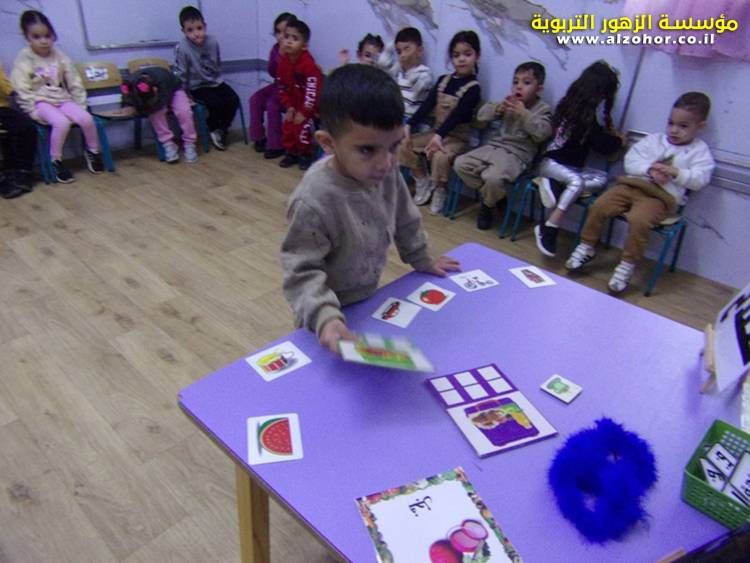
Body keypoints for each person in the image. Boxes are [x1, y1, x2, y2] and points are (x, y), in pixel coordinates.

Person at [280, 64, 460, 353]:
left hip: (367, 301)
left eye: (394, 146)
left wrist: (422, 258)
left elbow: (406, 218)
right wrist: (325, 319)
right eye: (367, 150)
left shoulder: (384, 170)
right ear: (328, 143)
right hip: (323, 315)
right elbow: (301, 272)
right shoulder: (313, 199)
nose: (385, 162)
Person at [565, 92, 715, 293]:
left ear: (700, 126)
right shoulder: (654, 140)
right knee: (600, 205)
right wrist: (649, 169)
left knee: (639, 220)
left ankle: (627, 265)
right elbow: (631, 160)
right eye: (670, 123)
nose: (674, 130)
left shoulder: (700, 151)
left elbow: (700, 179)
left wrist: (676, 173)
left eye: (683, 126)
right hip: (630, 186)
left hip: (659, 198)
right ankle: (586, 246)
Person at [533, 60, 625, 257]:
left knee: (602, 179)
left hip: (569, 168)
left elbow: (598, 138)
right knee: (576, 182)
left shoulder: (577, 109)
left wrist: (612, 137)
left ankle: (554, 185)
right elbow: (602, 145)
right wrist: (619, 140)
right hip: (551, 163)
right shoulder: (583, 116)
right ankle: (549, 227)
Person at [453, 61, 553, 230]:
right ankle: (497, 197)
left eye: (526, 83)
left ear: (539, 89)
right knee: (460, 163)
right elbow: (481, 116)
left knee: (493, 178)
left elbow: (543, 133)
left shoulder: (543, 109)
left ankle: (487, 205)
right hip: (493, 148)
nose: (519, 87)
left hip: (517, 155)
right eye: (515, 82)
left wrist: (524, 114)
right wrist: (498, 109)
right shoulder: (508, 101)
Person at [11, 10, 103, 184]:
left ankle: (93, 152)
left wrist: (80, 105)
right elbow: (20, 88)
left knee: (86, 119)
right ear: (27, 37)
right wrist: (31, 109)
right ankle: (56, 161)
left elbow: (74, 81)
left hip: (61, 98)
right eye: (36, 37)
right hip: (40, 102)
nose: (43, 41)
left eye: (47, 36)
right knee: (62, 123)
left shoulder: (60, 56)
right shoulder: (24, 58)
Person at [402, 30, 482, 215]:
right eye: (456, 55)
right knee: (403, 142)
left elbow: (458, 116)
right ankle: (422, 179)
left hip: (457, 138)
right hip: (436, 132)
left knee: (440, 156)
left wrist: (439, 137)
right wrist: (409, 125)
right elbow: (426, 106)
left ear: (476, 56)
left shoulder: (473, 88)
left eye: (467, 54)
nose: (461, 59)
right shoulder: (443, 81)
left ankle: (440, 189)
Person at [174, 5, 240, 151]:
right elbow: (181, 74)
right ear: (183, 31)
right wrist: (185, 94)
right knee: (215, 103)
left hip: (214, 81)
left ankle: (221, 129)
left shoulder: (212, 42)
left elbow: (216, 65)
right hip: (196, 86)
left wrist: (211, 68)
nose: (196, 34)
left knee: (233, 100)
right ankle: (213, 127)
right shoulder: (182, 47)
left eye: (199, 28)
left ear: (205, 26)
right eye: (190, 30)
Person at [122, 66, 198, 163]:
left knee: (184, 111)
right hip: (154, 97)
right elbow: (126, 97)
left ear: (155, 90)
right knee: (155, 114)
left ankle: (189, 143)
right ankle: (168, 143)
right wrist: (128, 106)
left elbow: (160, 103)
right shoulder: (129, 83)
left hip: (174, 89)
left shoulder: (162, 79)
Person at [276, 18, 322, 171]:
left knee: (302, 128)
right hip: (293, 106)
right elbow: (282, 87)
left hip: (309, 109)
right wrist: (288, 107)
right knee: (288, 127)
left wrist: (304, 112)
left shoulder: (309, 65)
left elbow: (312, 93)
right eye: (287, 36)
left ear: (304, 45)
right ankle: (292, 153)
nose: (289, 41)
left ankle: (305, 154)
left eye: (295, 38)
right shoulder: (283, 62)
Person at [249, 12, 296, 160]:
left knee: (272, 104)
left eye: (285, 32)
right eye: (278, 32)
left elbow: (291, 76)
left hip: (291, 90)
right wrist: (278, 55)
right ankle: (259, 137)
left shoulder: (297, 51)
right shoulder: (275, 48)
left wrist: (283, 56)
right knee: (255, 99)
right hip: (277, 85)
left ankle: (276, 145)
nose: (281, 36)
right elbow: (272, 72)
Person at [377, 27, 432, 120]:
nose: (402, 55)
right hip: (396, 116)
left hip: (411, 119)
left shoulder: (424, 72)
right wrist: (390, 47)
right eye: (399, 52)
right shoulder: (399, 72)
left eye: (407, 49)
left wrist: (410, 72)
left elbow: (420, 87)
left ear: (419, 51)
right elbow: (383, 65)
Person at [0, 62, 36, 197]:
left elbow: (5, 86)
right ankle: (5, 176)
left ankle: (23, 172)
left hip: (2, 107)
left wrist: (12, 91)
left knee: (26, 128)